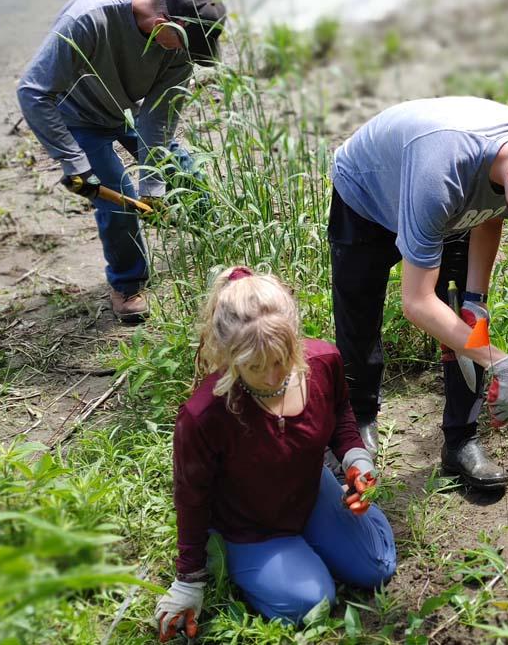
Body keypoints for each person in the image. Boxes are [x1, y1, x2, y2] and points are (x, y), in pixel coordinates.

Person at [329, 96, 508, 491]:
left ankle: (460, 440)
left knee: (465, 319)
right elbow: (417, 302)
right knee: (359, 314)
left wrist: (476, 299)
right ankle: (358, 422)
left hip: (446, 201)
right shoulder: (441, 175)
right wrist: (499, 361)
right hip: (368, 194)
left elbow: (491, 212)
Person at [153, 266, 396, 641]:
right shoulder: (203, 416)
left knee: (377, 567)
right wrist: (189, 579)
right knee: (313, 602)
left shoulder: (323, 362)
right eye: (254, 367)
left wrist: (356, 460)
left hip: (309, 491)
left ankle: (313, 545)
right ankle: (244, 556)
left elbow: (340, 416)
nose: (271, 377)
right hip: (249, 523)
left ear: (295, 340)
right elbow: (191, 498)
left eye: (282, 360)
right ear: (228, 355)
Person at [17, 0, 226, 323]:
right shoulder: (86, 19)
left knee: (179, 169)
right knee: (116, 197)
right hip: (79, 118)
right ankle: (127, 285)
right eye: (185, 48)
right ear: (164, 25)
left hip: (126, 109)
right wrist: (73, 160)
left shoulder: (180, 47)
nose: (186, 58)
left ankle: (216, 235)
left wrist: (153, 187)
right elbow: (32, 90)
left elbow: (157, 119)